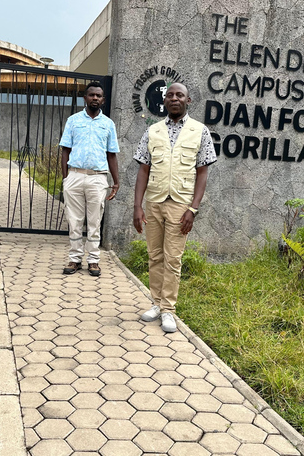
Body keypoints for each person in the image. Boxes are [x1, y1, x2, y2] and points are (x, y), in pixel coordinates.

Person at [133, 83, 216, 332]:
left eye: (179, 95)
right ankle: (156, 303)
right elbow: (143, 170)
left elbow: (202, 173)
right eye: (170, 95)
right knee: (154, 255)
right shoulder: (153, 131)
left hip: (180, 204)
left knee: (173, 258)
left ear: (188, 100)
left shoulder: (200, 131)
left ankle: (169, 309)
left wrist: (193, 209)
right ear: (165, 101)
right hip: (155, 201)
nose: (174, 98)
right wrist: (137, 206)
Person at [60, 81, 120, 277]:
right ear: (85, 98)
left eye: (98, 96)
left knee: (95, 221)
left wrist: (116, 181)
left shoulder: (108, 124)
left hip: (97, 178)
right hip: (75, 175)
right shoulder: (73, 121)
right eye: (91, 95)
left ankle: (93, 261)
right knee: (74, 221)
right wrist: (65, 178)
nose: (95, 98)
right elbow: (65, 150)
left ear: (103, 100)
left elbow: (112, 154)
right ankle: (75, 259)